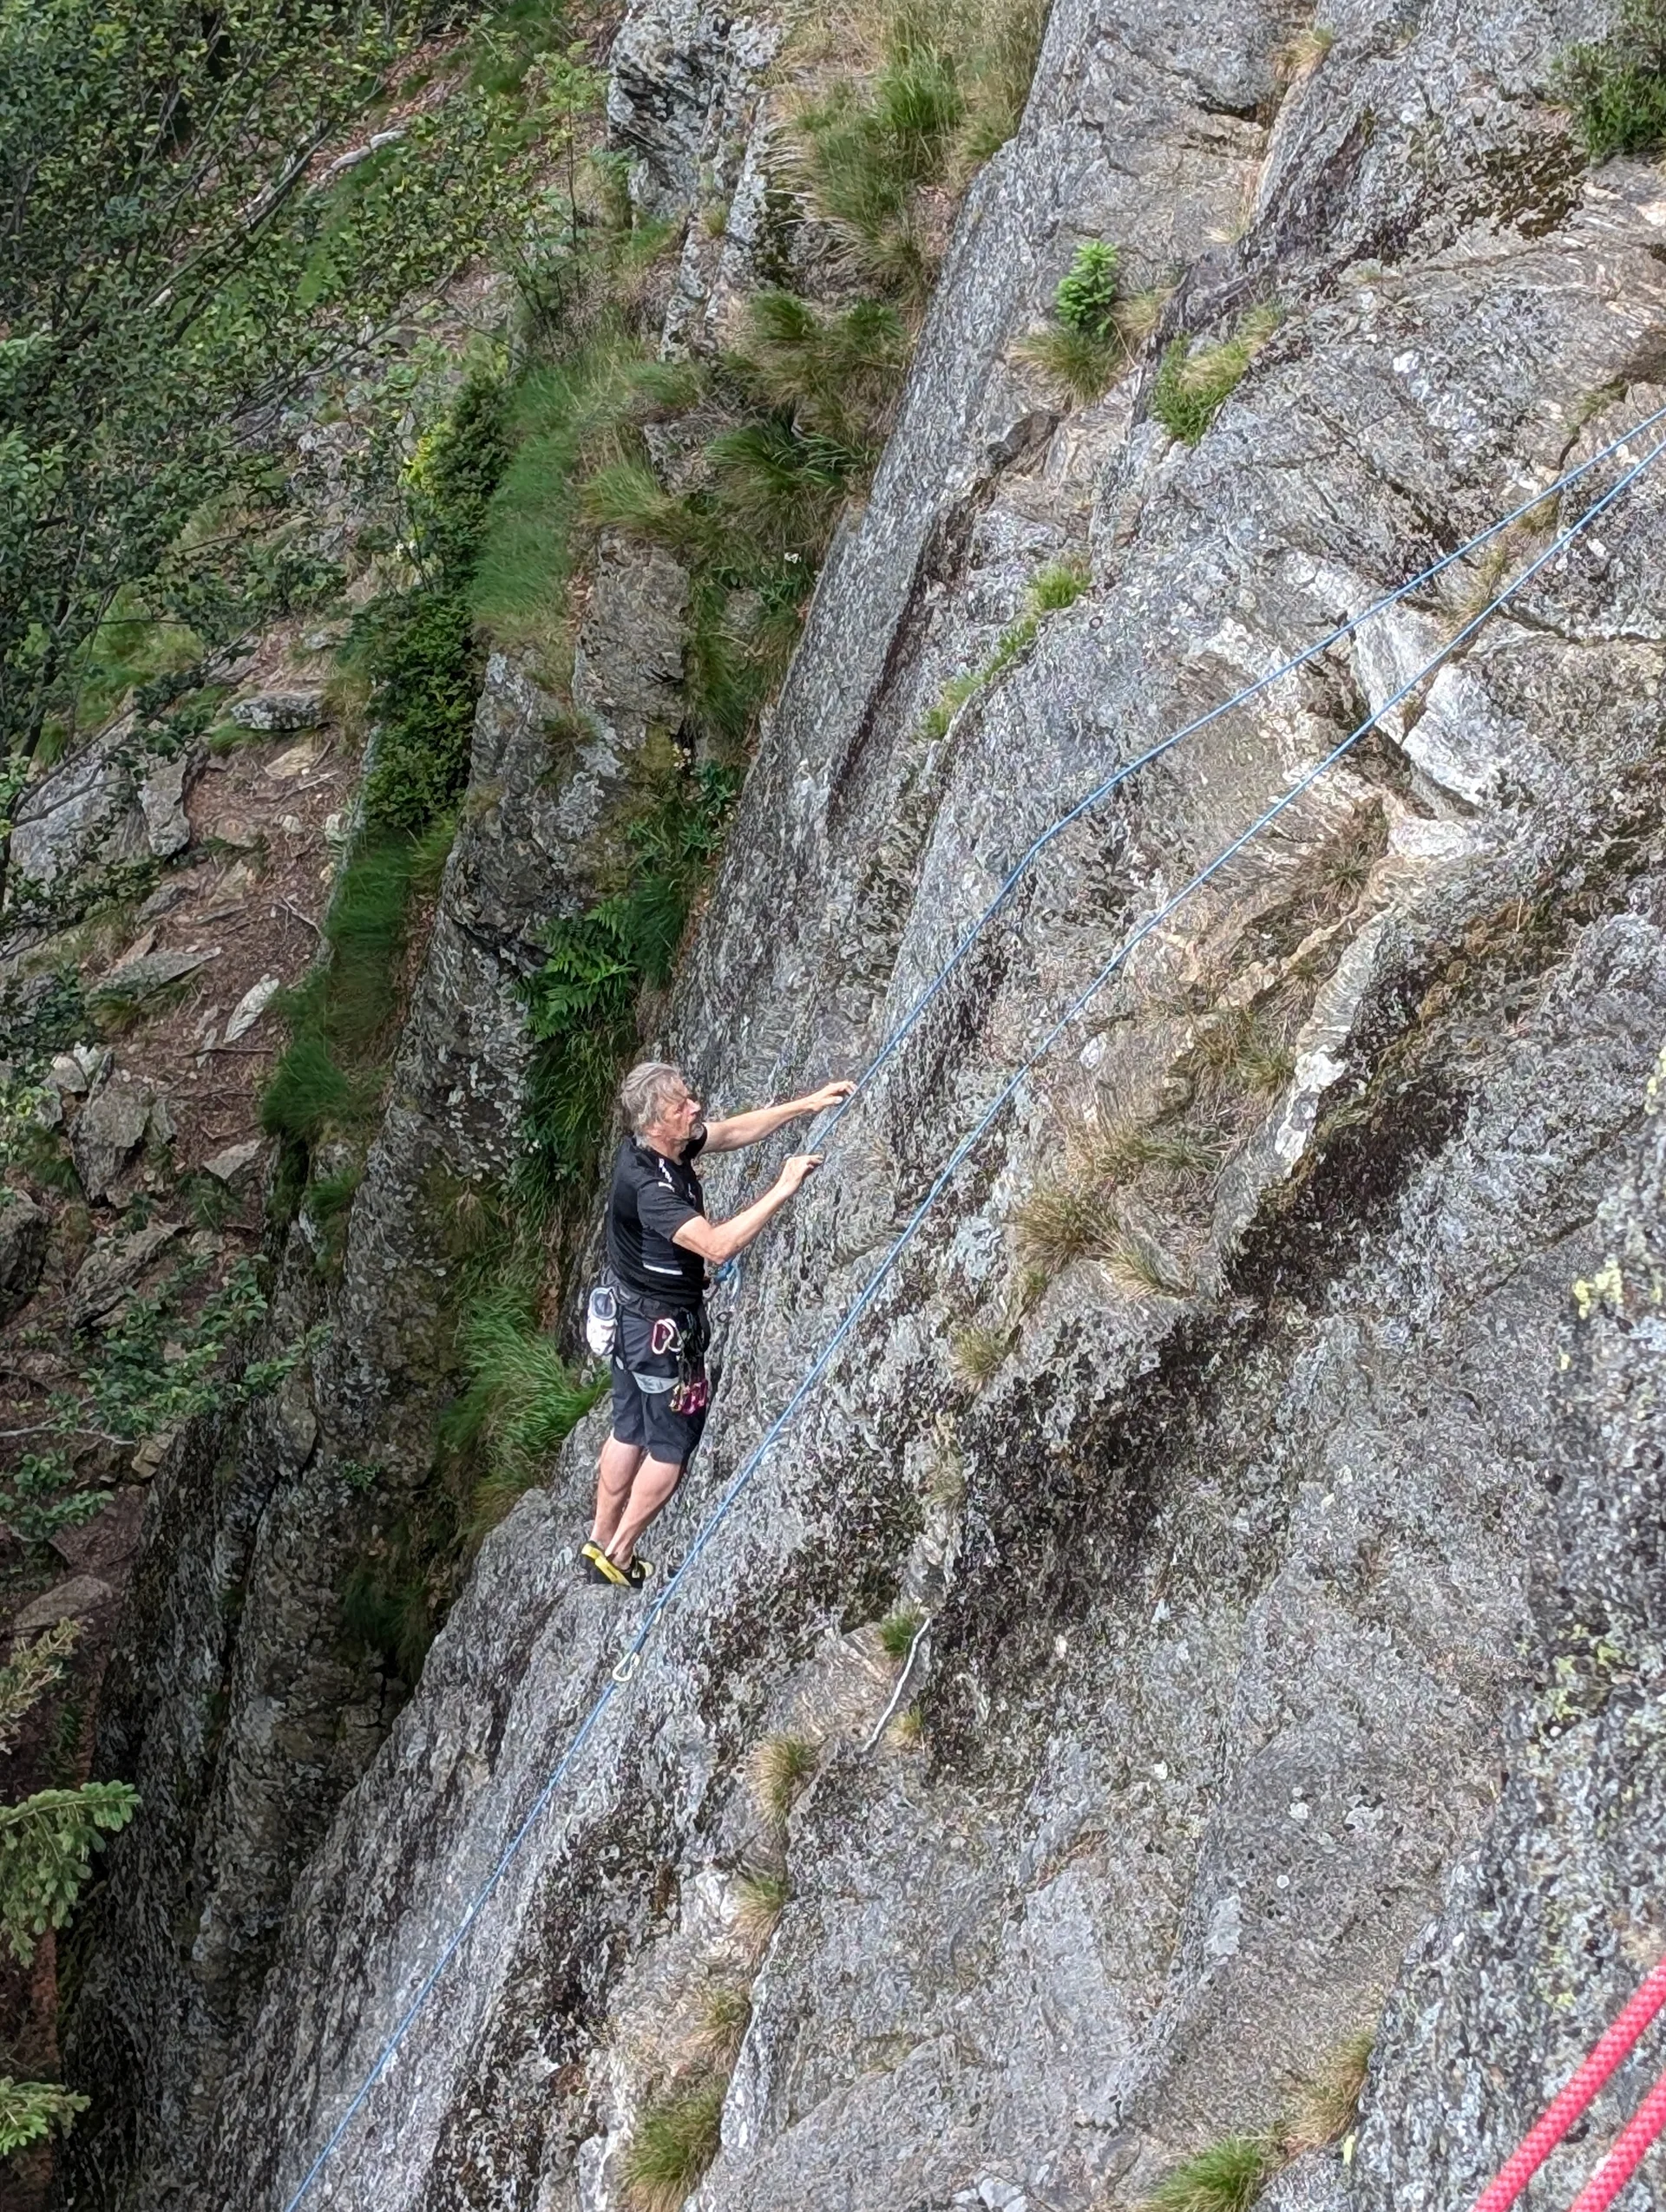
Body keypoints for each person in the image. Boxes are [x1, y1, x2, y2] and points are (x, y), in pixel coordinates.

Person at [580, 1058, 854, 1588]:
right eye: (680, 1106)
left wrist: (806, 1104)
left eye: (689, 1097)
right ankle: (620, 1552)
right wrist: (783, 1186)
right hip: (660, 1334)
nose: (695, 1108)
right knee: (670, 1447)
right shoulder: (650, 1188)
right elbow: (717, 1245)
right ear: (655, 1124)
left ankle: (598, 1540)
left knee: (628, 1428)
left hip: (630, 1323)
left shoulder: (658, 1149)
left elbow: (728, 1133)